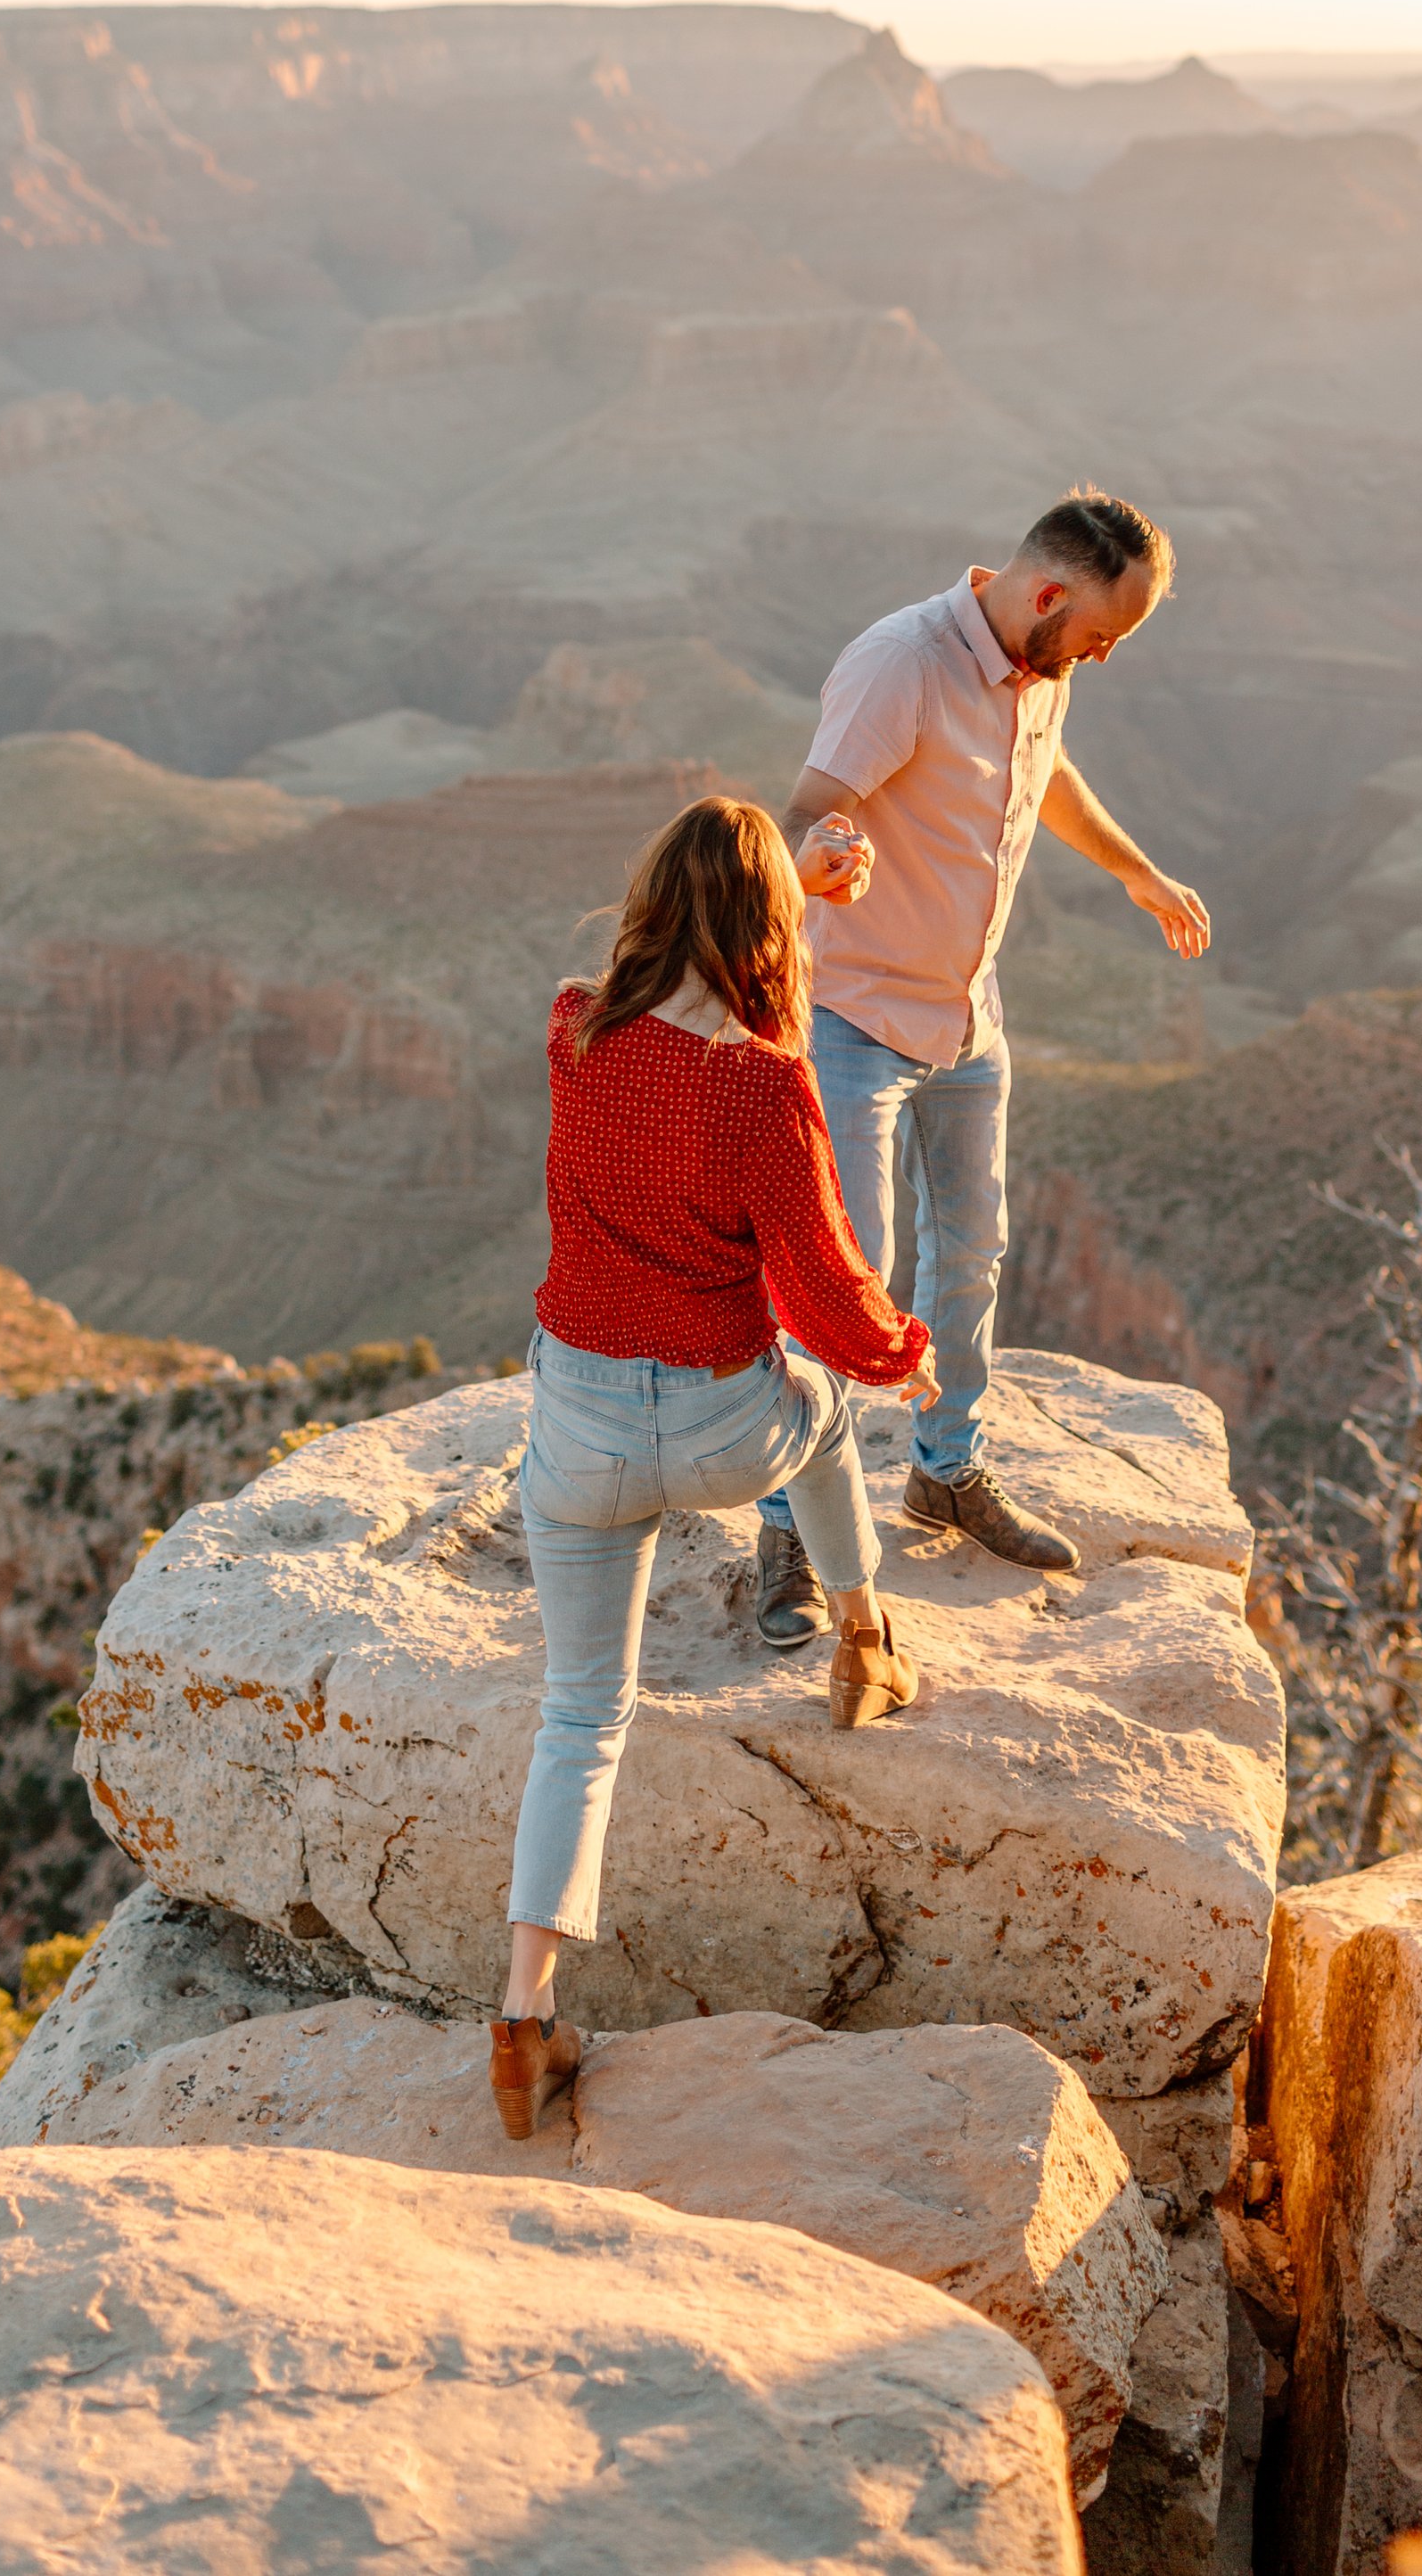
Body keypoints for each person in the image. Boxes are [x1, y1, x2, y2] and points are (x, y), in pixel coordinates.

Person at [489, 792, 938, 2141]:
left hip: (577, 1432)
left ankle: (522, 2023)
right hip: (720, 1429)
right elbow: (820, 1285)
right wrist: (899, 1352)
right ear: (764, 932)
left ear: (647, 907)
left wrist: (776, 884)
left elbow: (675, 1010)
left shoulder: (577, 1031)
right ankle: (864, 1638)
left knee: (582, 1717)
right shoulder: (765, 1084)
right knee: (821, 1401)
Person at [755, 486, 1211, 1647]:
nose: (1099, 660)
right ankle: (789, 1523)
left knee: (973, 1256)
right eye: (1102, 635)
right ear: (1050, 595)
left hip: (967, 1020)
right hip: (856, 1016)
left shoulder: (1033, 669)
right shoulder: (899, 665)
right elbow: (806, 806)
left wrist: (1137, 872)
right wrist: (827, 856)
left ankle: (945, 1470)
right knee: (842, 1279)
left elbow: (1046, 776)